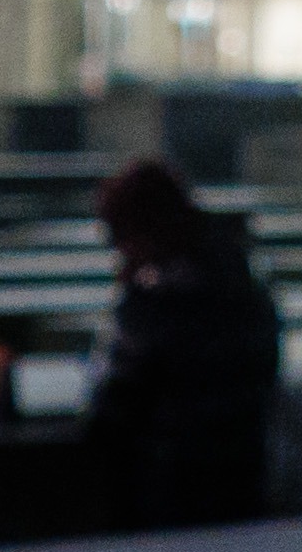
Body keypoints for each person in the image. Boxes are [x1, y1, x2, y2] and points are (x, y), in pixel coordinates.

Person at [75, 154, 277, 524]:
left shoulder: (164, 302)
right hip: (241, 476)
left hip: (173, 483)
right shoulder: (241, 279)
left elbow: (121, 399)